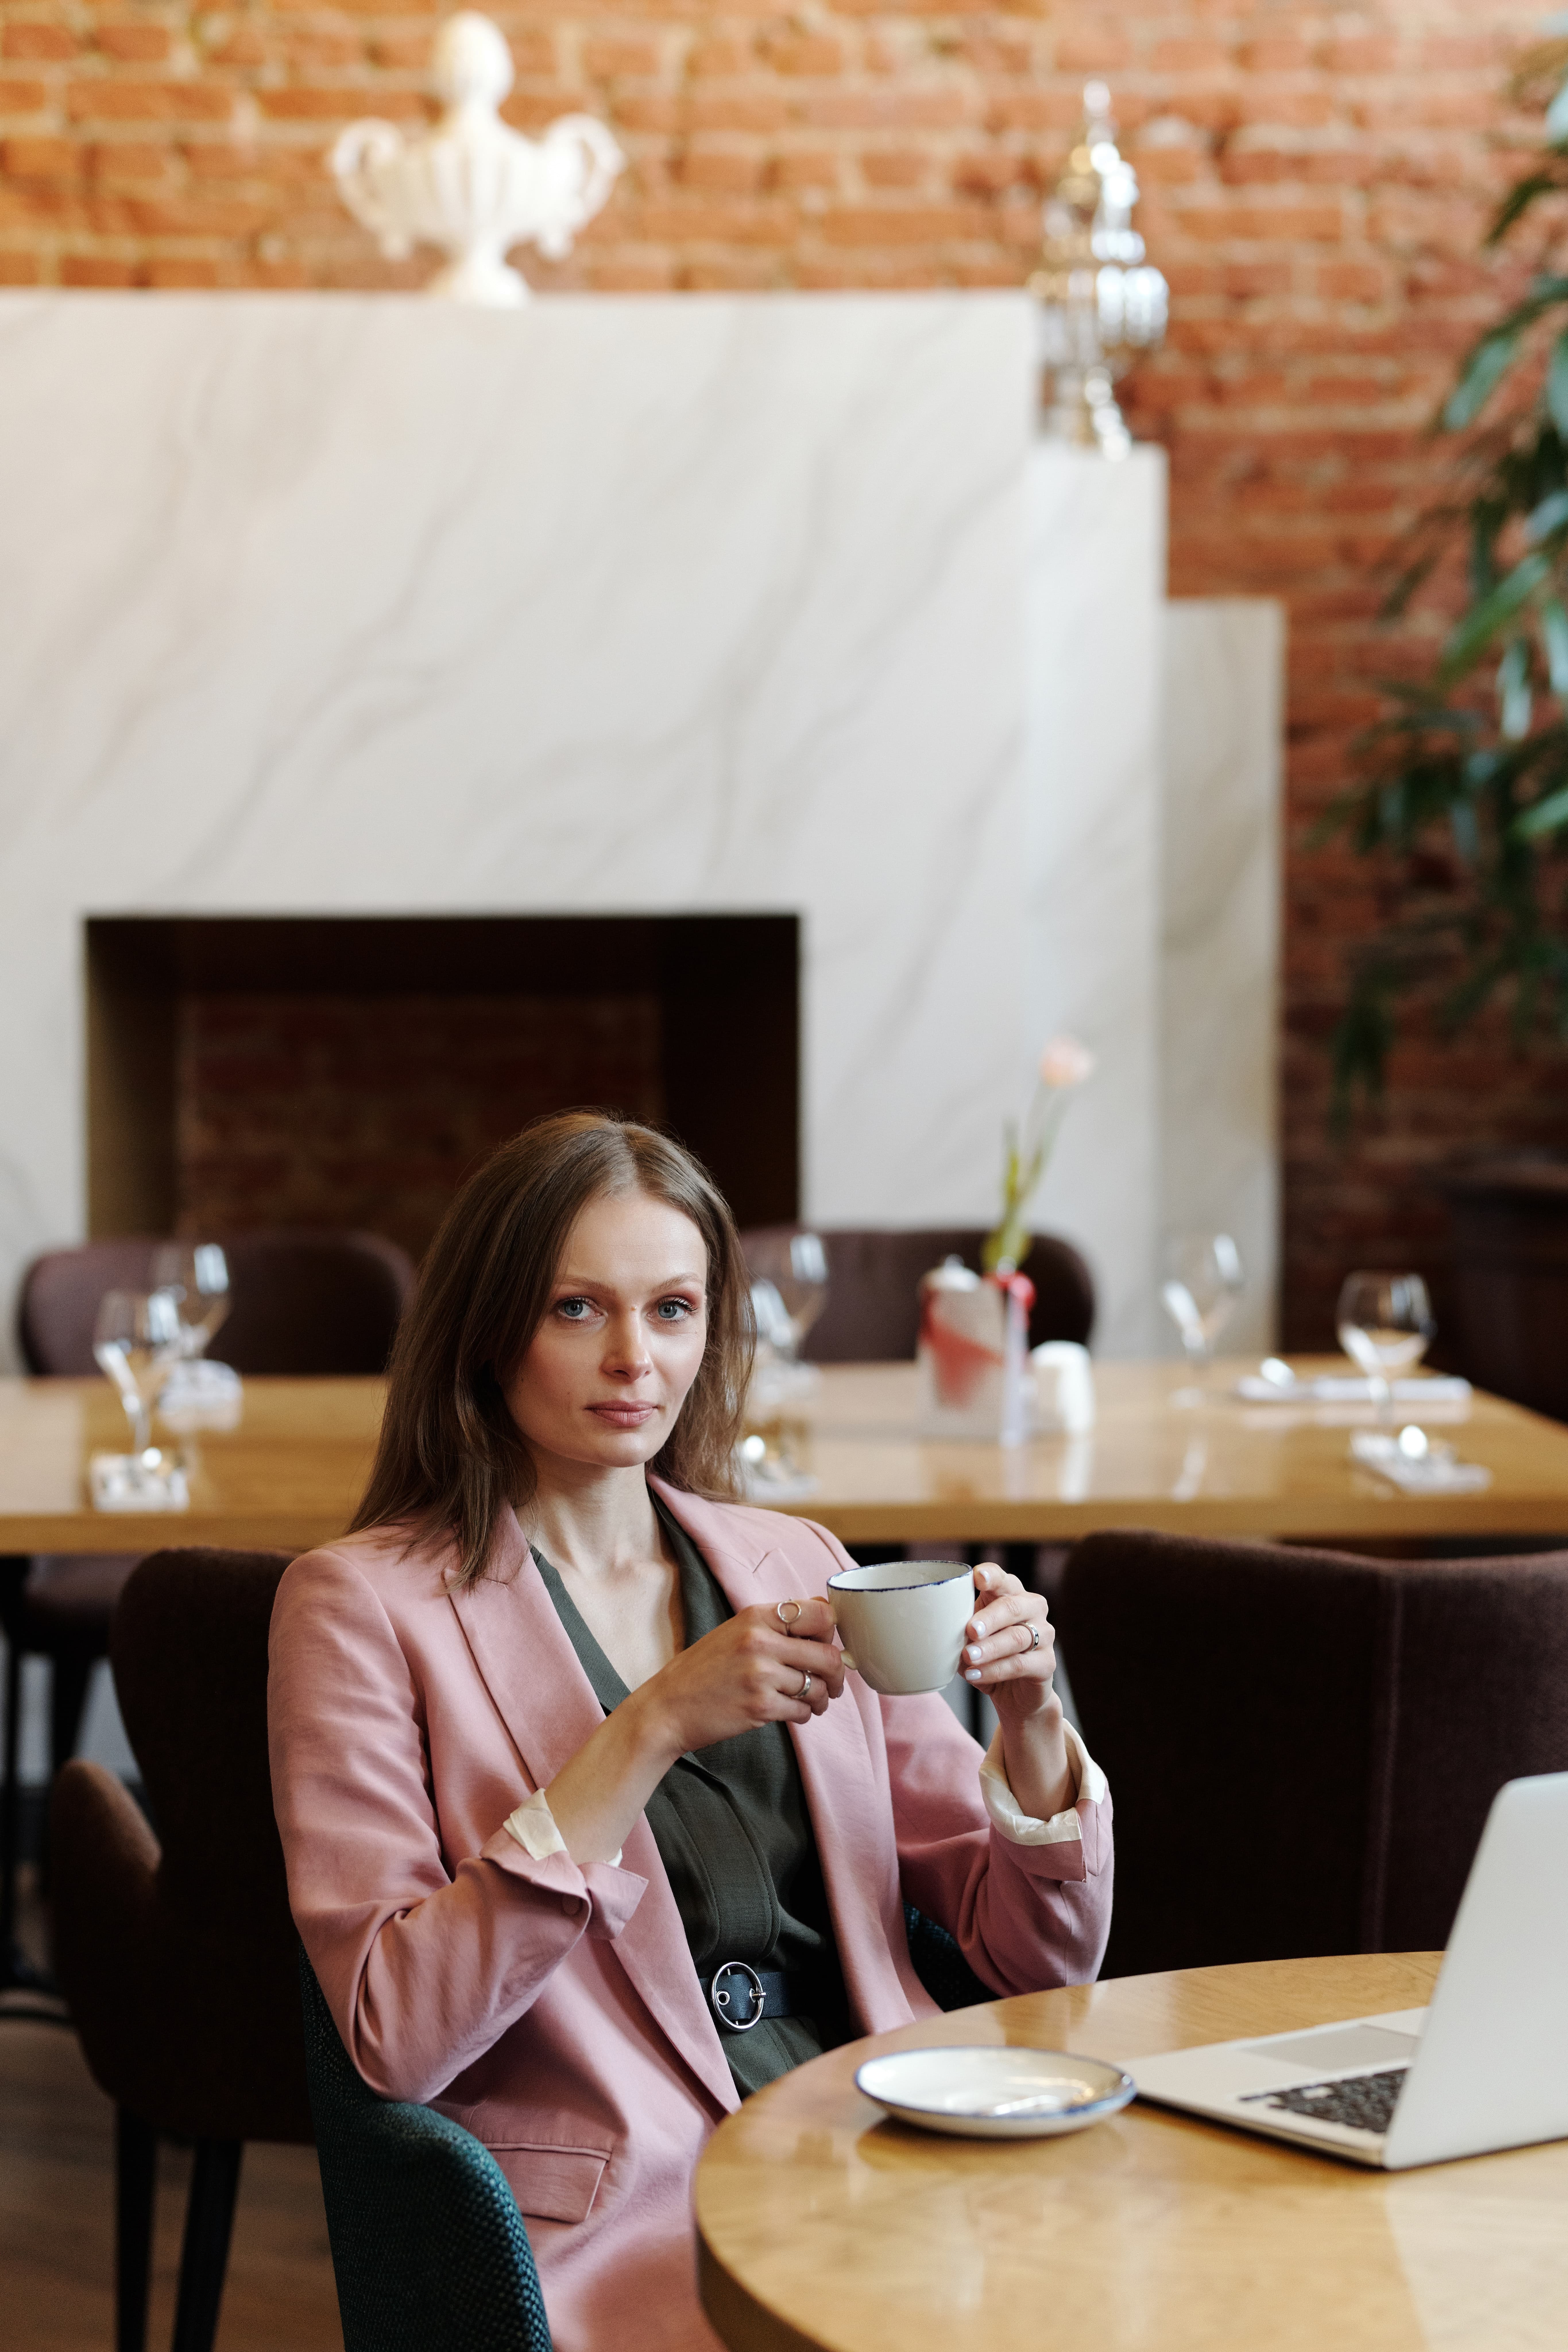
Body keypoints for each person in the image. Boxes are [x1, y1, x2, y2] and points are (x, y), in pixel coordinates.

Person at [268, 1112, 1113, 2352]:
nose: (633, 1358)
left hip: (900, 2149)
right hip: (636, 2210)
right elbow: (397, 2030)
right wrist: (649, 1723)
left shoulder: (798, 1560)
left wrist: (1034, 1718)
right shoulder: (358, 1604)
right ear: (488, 1323)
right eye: (576, 1309)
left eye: (671, 1309)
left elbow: (1041, 1959)